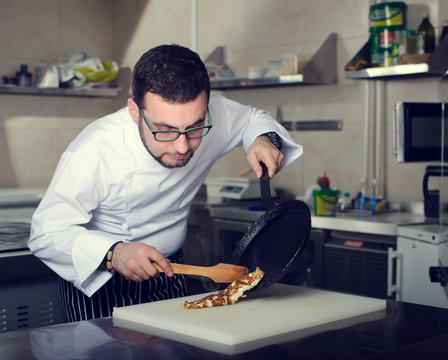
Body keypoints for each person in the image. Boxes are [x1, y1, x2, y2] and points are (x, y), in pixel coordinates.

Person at [28, 44, 303, 322]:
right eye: (165, 130)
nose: (182, 146)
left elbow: (253, 119)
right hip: (101, 281)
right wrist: (114, 253)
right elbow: (45, 233)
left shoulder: (213, 114)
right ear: (135, 112)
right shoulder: (94, 151)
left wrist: (263, 139)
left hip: (173, 272)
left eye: (195, 127)